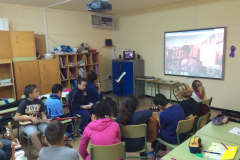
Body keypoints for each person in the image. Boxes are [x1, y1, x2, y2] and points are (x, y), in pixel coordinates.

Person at [148, 93, 187, 158]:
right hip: (183, 136)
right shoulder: (178, 106)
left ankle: (155, 153)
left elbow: (162, 127)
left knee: (155, 129)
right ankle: (162, 146)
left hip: (173, 138)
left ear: (159, 106)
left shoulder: (163, 114)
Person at [14, 85, 49, 152]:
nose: (38, 93)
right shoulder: (24, 103)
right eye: (36, 92)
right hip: (27, 124)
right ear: (30, 94)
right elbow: (16, 117)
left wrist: (46, 120)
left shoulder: (39, 101)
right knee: (33, 134)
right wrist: (31, 118)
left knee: (49, 130)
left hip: (39, 122)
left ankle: (53, 149)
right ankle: (42, 152)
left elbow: (42, 114)